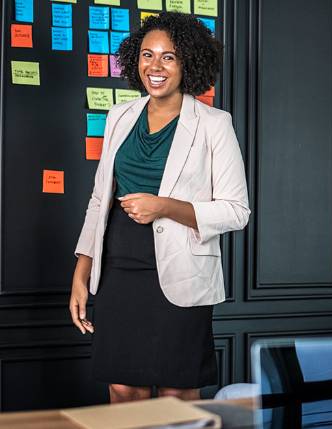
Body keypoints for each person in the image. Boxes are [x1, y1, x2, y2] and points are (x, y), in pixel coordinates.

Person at [69, 13, 249, 403]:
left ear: (188, 63)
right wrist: (81, 272)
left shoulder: (214, 124)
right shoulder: (119, 116)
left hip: (181, 276)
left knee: (177, 387)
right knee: (122, 385)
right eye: (148, 55)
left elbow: (237, 210)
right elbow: (100, 199)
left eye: (169, 57)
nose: (156, 66)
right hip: (118, 270)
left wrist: (164, 206)